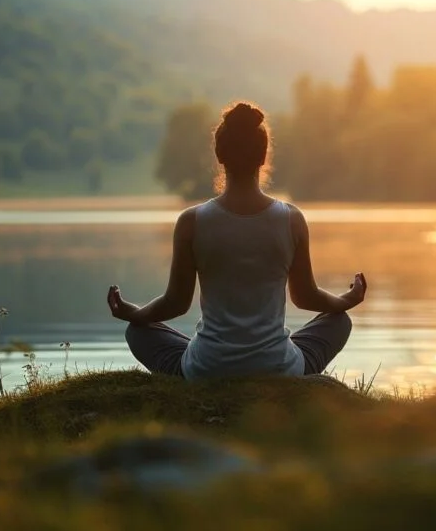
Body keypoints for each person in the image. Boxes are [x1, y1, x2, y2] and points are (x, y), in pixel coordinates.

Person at [106, 100, 367, 380]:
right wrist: (346, 300)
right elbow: (305, 297)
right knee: (339, 321)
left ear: (219, 155)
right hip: (279, 369)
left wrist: (136, 313)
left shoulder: (191, 222)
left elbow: (176, 303)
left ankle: (197, 373)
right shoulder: (291, 219)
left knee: (138, 330)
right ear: (264, 156)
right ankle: (289, 375)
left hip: (208, 368)